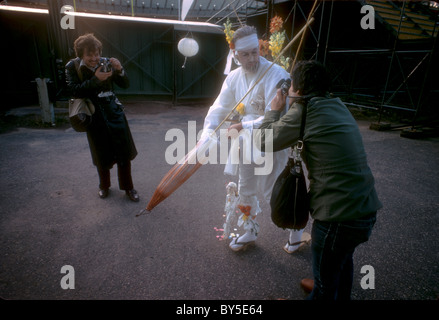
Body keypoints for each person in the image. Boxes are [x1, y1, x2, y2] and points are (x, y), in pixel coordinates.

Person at [256, 60, 382, 300]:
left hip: (338, 218)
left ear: (300, 91)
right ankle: (332, 286)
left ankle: (324, 286)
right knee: (342, 261)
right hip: (365, 210)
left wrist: (274, 109)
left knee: (324, 286)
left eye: (292, 86)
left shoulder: (304, 111)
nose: (289, 90)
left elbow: (263, 141)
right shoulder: (337, 105)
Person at [201, 25, 307, 252]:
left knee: (274, 190)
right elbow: (218, 109)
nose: (251, 58)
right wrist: (207, 136)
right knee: (245, 187)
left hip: (270, 140)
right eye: (245, 54)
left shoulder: (277, 74)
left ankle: (296, 230)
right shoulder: (234, 77)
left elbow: (277, 115)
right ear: (235, 54)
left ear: (260, 47)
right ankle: (249, 229)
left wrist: (243, 124)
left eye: (254, 51)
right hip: (244, 143)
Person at [65, 33, 139, 202]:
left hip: (114, 113)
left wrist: (120, 70)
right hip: (93, 116)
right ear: (81, 54)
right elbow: (73, 91)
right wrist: (96, 79)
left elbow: (125, 84)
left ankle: (129, 188)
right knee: (101, 155)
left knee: (124, 153)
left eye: (97, 53)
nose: (94, 58)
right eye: (89, 55)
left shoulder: (106, 62)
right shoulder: (73, 66)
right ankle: (104, 187)